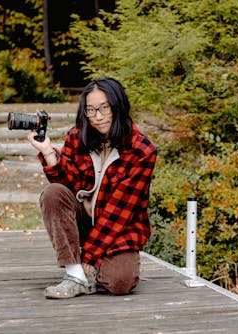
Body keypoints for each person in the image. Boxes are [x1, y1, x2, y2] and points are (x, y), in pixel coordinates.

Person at [27, 77, 157, 299]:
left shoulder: (142, 150)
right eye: (91, 110)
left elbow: (118, 213)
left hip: (119, 227)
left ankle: (90, 270)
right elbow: (66, 184)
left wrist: (90, 254)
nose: (98, 116)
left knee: (120, 283)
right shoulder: (78, 136)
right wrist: (48, 151)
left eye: (104, 108)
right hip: (84, 219)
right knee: (53, 193)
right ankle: (75, 275)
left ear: (118, 106)